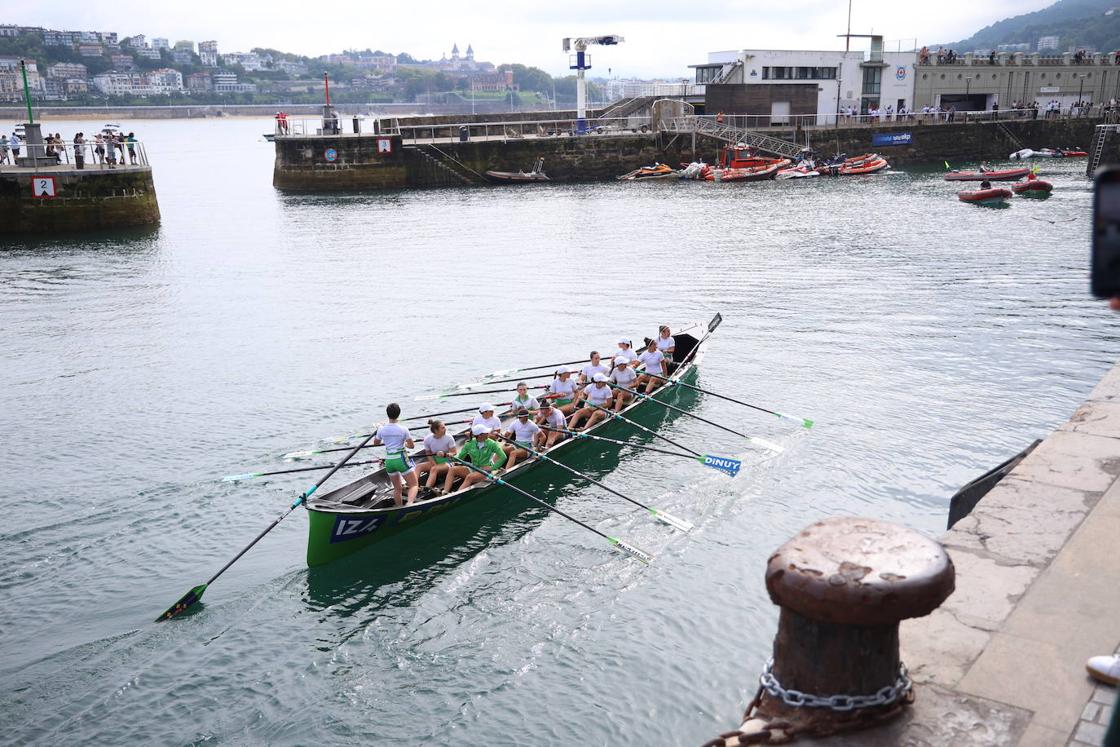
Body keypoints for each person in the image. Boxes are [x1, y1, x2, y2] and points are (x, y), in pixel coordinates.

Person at [372, 403, 418, 507]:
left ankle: (399, 508)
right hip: (400, 459)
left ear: (387, 414)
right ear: (399, 414)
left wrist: (379, 429)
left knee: (397, 489)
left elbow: (376, 443)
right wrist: (404, 444)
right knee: (414, 485)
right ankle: (409, 504)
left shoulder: (381, 429)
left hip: (389, 461)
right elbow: (411, 446)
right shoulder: (403, 429)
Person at [443, 423, 507, 492]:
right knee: (452, 469)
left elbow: (503, 457)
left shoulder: (492, 444)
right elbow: (460, 458)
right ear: (480, 435)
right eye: (486, 432)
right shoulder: (469, 444)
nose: (488, 433)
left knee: (469, 477)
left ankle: (456, 495)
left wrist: (493, 467)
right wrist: (448, 455)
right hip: (473, 467)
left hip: (485, 471)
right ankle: (445, 492)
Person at [414, 419, 457, 495]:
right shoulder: (427, 439)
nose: (445, 429)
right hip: (435, 461)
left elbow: (454, 452)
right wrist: (434, 464)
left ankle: (426, 490)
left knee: (434, 469)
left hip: (448, 462)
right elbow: (428, 453)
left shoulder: (449, 437)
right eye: (442, 428)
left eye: (444, 427)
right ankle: (414, 487)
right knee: (418, 467)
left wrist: (445, 454)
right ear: (436, 431)